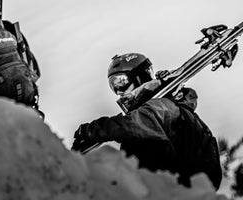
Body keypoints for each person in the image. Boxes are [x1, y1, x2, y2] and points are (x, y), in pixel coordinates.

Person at [71, 52, 227, 188]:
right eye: (113, 86)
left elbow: (131, 124)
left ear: (140, 77)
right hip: (177, 182)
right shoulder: (163, 107)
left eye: (121, 82)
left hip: (183, 179)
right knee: (130, 144)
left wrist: (92, 130)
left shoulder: (163, 106)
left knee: (135, 136)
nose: (119, 91)